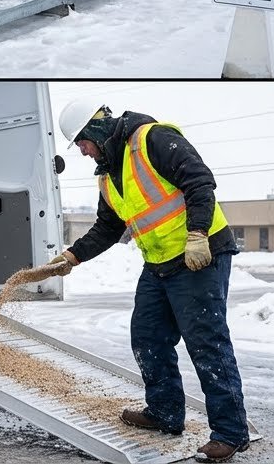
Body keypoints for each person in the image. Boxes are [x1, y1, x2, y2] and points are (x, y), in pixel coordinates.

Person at [55, 100, 249, 464]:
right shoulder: (108, 174)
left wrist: (197, 233)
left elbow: (199, 181)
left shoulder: (152, 139)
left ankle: (230, 433)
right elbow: (108, 228)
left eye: (81, 141)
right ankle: (165, 413)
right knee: (146, 336)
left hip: (199, 255)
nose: (81, 151)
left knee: (206, 343)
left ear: (96, 128)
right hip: (159, 263)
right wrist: (73, 256)